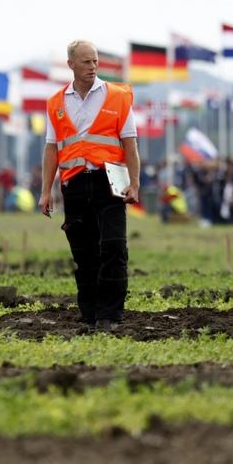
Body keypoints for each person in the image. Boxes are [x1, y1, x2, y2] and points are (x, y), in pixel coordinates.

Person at [39, 39, 140, 333]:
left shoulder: (118, 97)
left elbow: (130, 145)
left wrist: (134, 184)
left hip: (111, 181)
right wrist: (46, 191)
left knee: (113, 248)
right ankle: (90, 314)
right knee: (84, 253)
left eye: (95, 61)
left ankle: (109, 316)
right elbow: (51, 149)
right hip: (74, 184)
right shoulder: (56, 103)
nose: (92, 67)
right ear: (71, 64)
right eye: (86, 62)